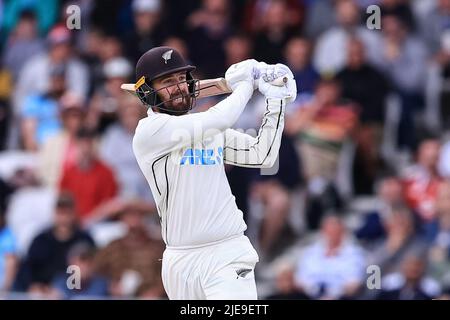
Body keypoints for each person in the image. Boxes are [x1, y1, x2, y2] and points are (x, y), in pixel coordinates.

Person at [131, 46, 296, 299]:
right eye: (167, 81)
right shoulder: (149, 132)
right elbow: (219, 119)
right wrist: (247, 84)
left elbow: (262, 155)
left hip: (227, 251)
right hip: (179, 258)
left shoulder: (208, 131)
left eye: (181, 79)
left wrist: (275, 101)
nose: (178, 87)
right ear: (147, 91)